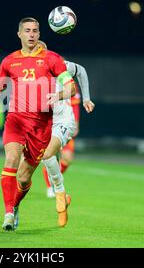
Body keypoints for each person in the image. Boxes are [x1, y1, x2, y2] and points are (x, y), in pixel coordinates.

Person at [0, 17, 76, 230]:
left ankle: (14, 207)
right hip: (16, 120)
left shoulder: (53, 59)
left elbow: (71, 88)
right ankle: (7, 214)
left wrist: (58, 94)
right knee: (11, 158)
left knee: (24, 179)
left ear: (39, 34)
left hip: (41, 126)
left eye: (35, 30)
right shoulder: (9, 61)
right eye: (27, 30)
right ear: (19, 34)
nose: (31, 34)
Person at [34, 42, 95, 199]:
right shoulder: (28, 72)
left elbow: (80, 71)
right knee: (44, 159)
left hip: (63, 120)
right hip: (44, 121)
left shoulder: (59, 66)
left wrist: (86, 99)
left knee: (62, 157)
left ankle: (55, 187)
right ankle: (54, 187)